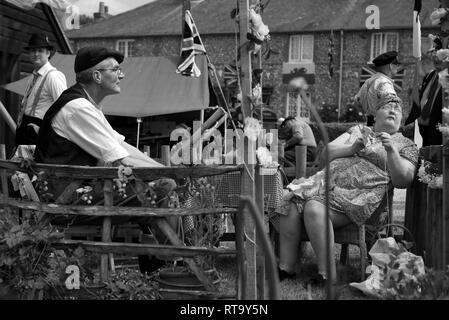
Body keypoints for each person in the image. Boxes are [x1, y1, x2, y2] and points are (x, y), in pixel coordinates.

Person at [34, 46, 175, 273]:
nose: (122, 75)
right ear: (97, 76)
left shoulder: (86, 104)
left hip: (79, 192)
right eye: (116, 69)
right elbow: (122, 159)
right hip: (66, 201)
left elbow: (121, 146)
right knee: (164, 186)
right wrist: (168, 174)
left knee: (162, 182)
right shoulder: (77, 107)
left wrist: (162, 167)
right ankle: (165, 264)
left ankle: (158, 262)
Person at [278, 96, 418, 286]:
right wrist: (352, 147)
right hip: (324, 185)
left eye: (397, 108)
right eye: (387, 106)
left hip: (358, 197)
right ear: (375, 115)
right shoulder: (357, 131)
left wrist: (391, 150)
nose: (393, 109)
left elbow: (404, 179)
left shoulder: (405, 145)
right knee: (288, 204)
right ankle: (287, 268)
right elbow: (327, 153)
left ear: (401, 119)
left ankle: (327, 274)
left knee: (314, 208)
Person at [16, 33, 67, 146]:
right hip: (25, 129)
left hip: (37, 131)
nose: (35, 54)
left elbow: (64, 108)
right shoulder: (33, 76)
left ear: (48, 53)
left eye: (40, 51)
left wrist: (44, 130)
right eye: (32, 51)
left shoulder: (53, 76)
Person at [354, 51, 402, 127]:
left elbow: (357, 101)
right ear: (391, 66)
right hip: (383, 126)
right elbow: (392, 107)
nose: (398, 67)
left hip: (369, 124)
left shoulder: (369, 81)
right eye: (397, 64)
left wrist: (370, 112)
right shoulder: (385, 83)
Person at [404, 53, 443, 146]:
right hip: (423, 126)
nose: (436, 60)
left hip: (438, 128)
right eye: (435, 56)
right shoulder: (430, 75)